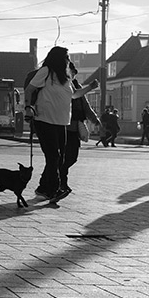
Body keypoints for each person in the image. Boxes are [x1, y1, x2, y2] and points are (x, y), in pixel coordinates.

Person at [24, 46, 99, 203]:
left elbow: (75, 95)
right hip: (44, 120)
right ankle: (55, 190)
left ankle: (44, 189)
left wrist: (90, 88)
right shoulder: (46, 72)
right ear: (58, 58)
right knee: (54, 157)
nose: (68, 61)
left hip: (61, 122)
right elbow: (30, 89)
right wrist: (28, 108)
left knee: (59, 158)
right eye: (66, 57)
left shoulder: (66, 77)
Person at [60, 64, 100, 196]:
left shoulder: (77, 87)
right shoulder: (63, 86)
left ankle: (57, 177)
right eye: (72, 72)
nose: (74, 75)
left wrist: (95, 120)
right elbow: (73, 97)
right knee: (63, 157)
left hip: (75, 128)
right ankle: (61, 182)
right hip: (63, 127)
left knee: (72, 158)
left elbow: (86, 106)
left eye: (75, 73)